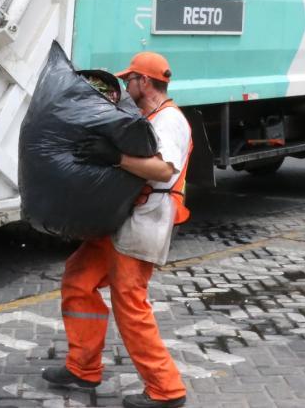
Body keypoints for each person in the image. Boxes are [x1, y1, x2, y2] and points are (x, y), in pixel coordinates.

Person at [41, 51, 192, 408]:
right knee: (78, 279)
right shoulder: (147, 116)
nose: (125, 85)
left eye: (130, 80)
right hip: (122, 219)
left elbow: (162, 171)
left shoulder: (169, 121)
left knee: (130, 303)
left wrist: (115, 158)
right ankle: (83, 368)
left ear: (145, 82)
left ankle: (166, 389)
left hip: (145, 219)